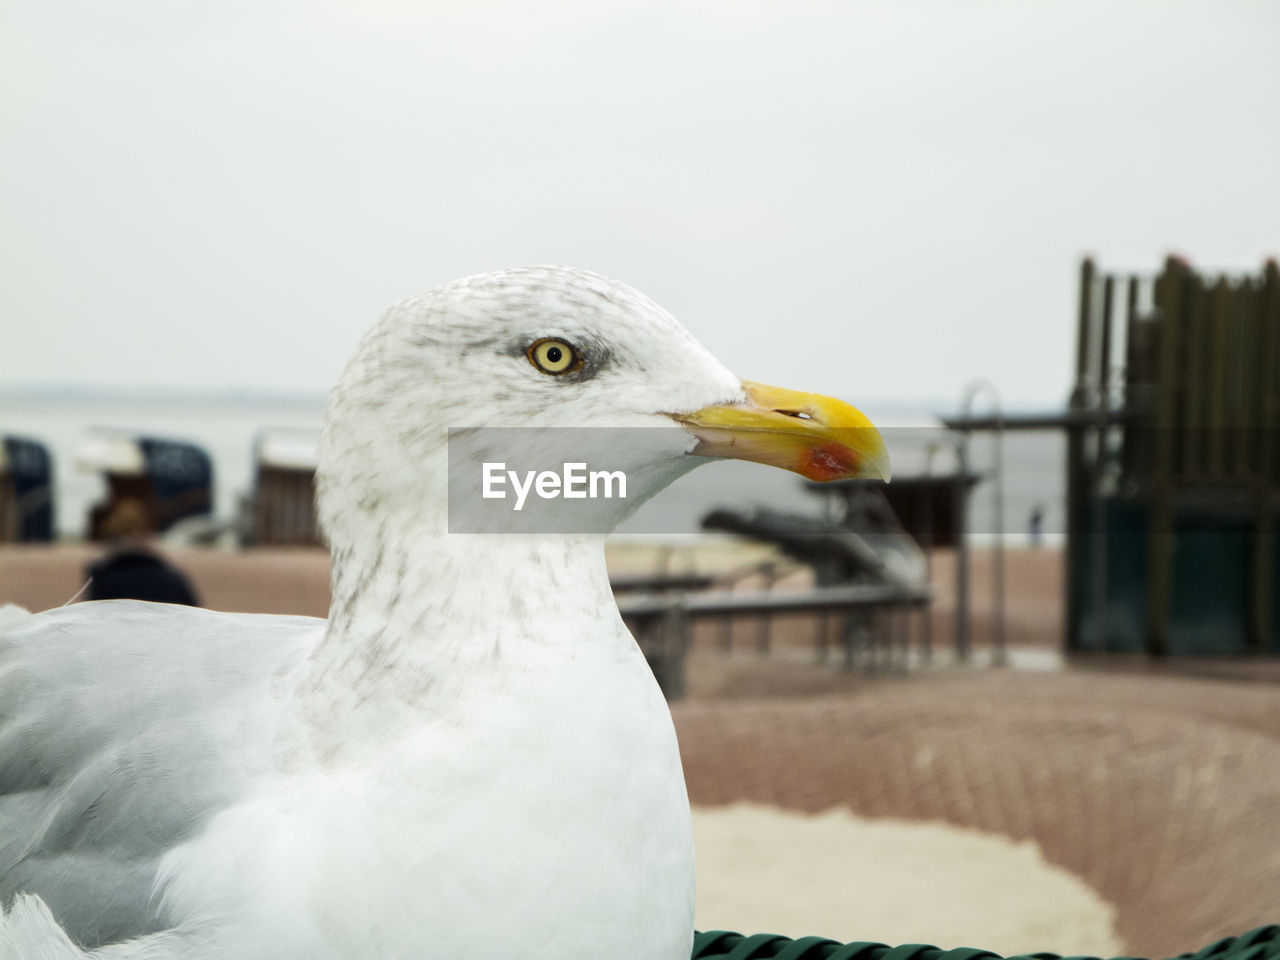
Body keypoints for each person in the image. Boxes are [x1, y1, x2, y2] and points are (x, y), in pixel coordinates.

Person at [85, 498, 200, 606]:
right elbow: (193, 613)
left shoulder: (101, 578)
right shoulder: (172, 577)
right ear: (146, 536)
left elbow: (95, 617)